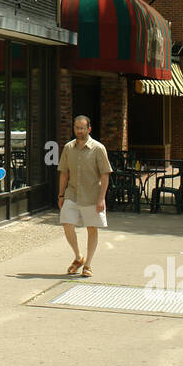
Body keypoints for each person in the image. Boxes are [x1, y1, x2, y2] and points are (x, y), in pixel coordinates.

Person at [57, 115, 111, 278]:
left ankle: (88, 264)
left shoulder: (98, 148)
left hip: (92, 195)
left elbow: (105, 175)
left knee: (91, 228)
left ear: (89, 129)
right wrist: (61, 195)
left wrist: (101, 198)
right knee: (67, 223)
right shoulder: (68, 147)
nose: (79, 131)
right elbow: (64, 173)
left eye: (82, 128)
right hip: (72, 193)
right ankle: (78, 256)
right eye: (77, 128)